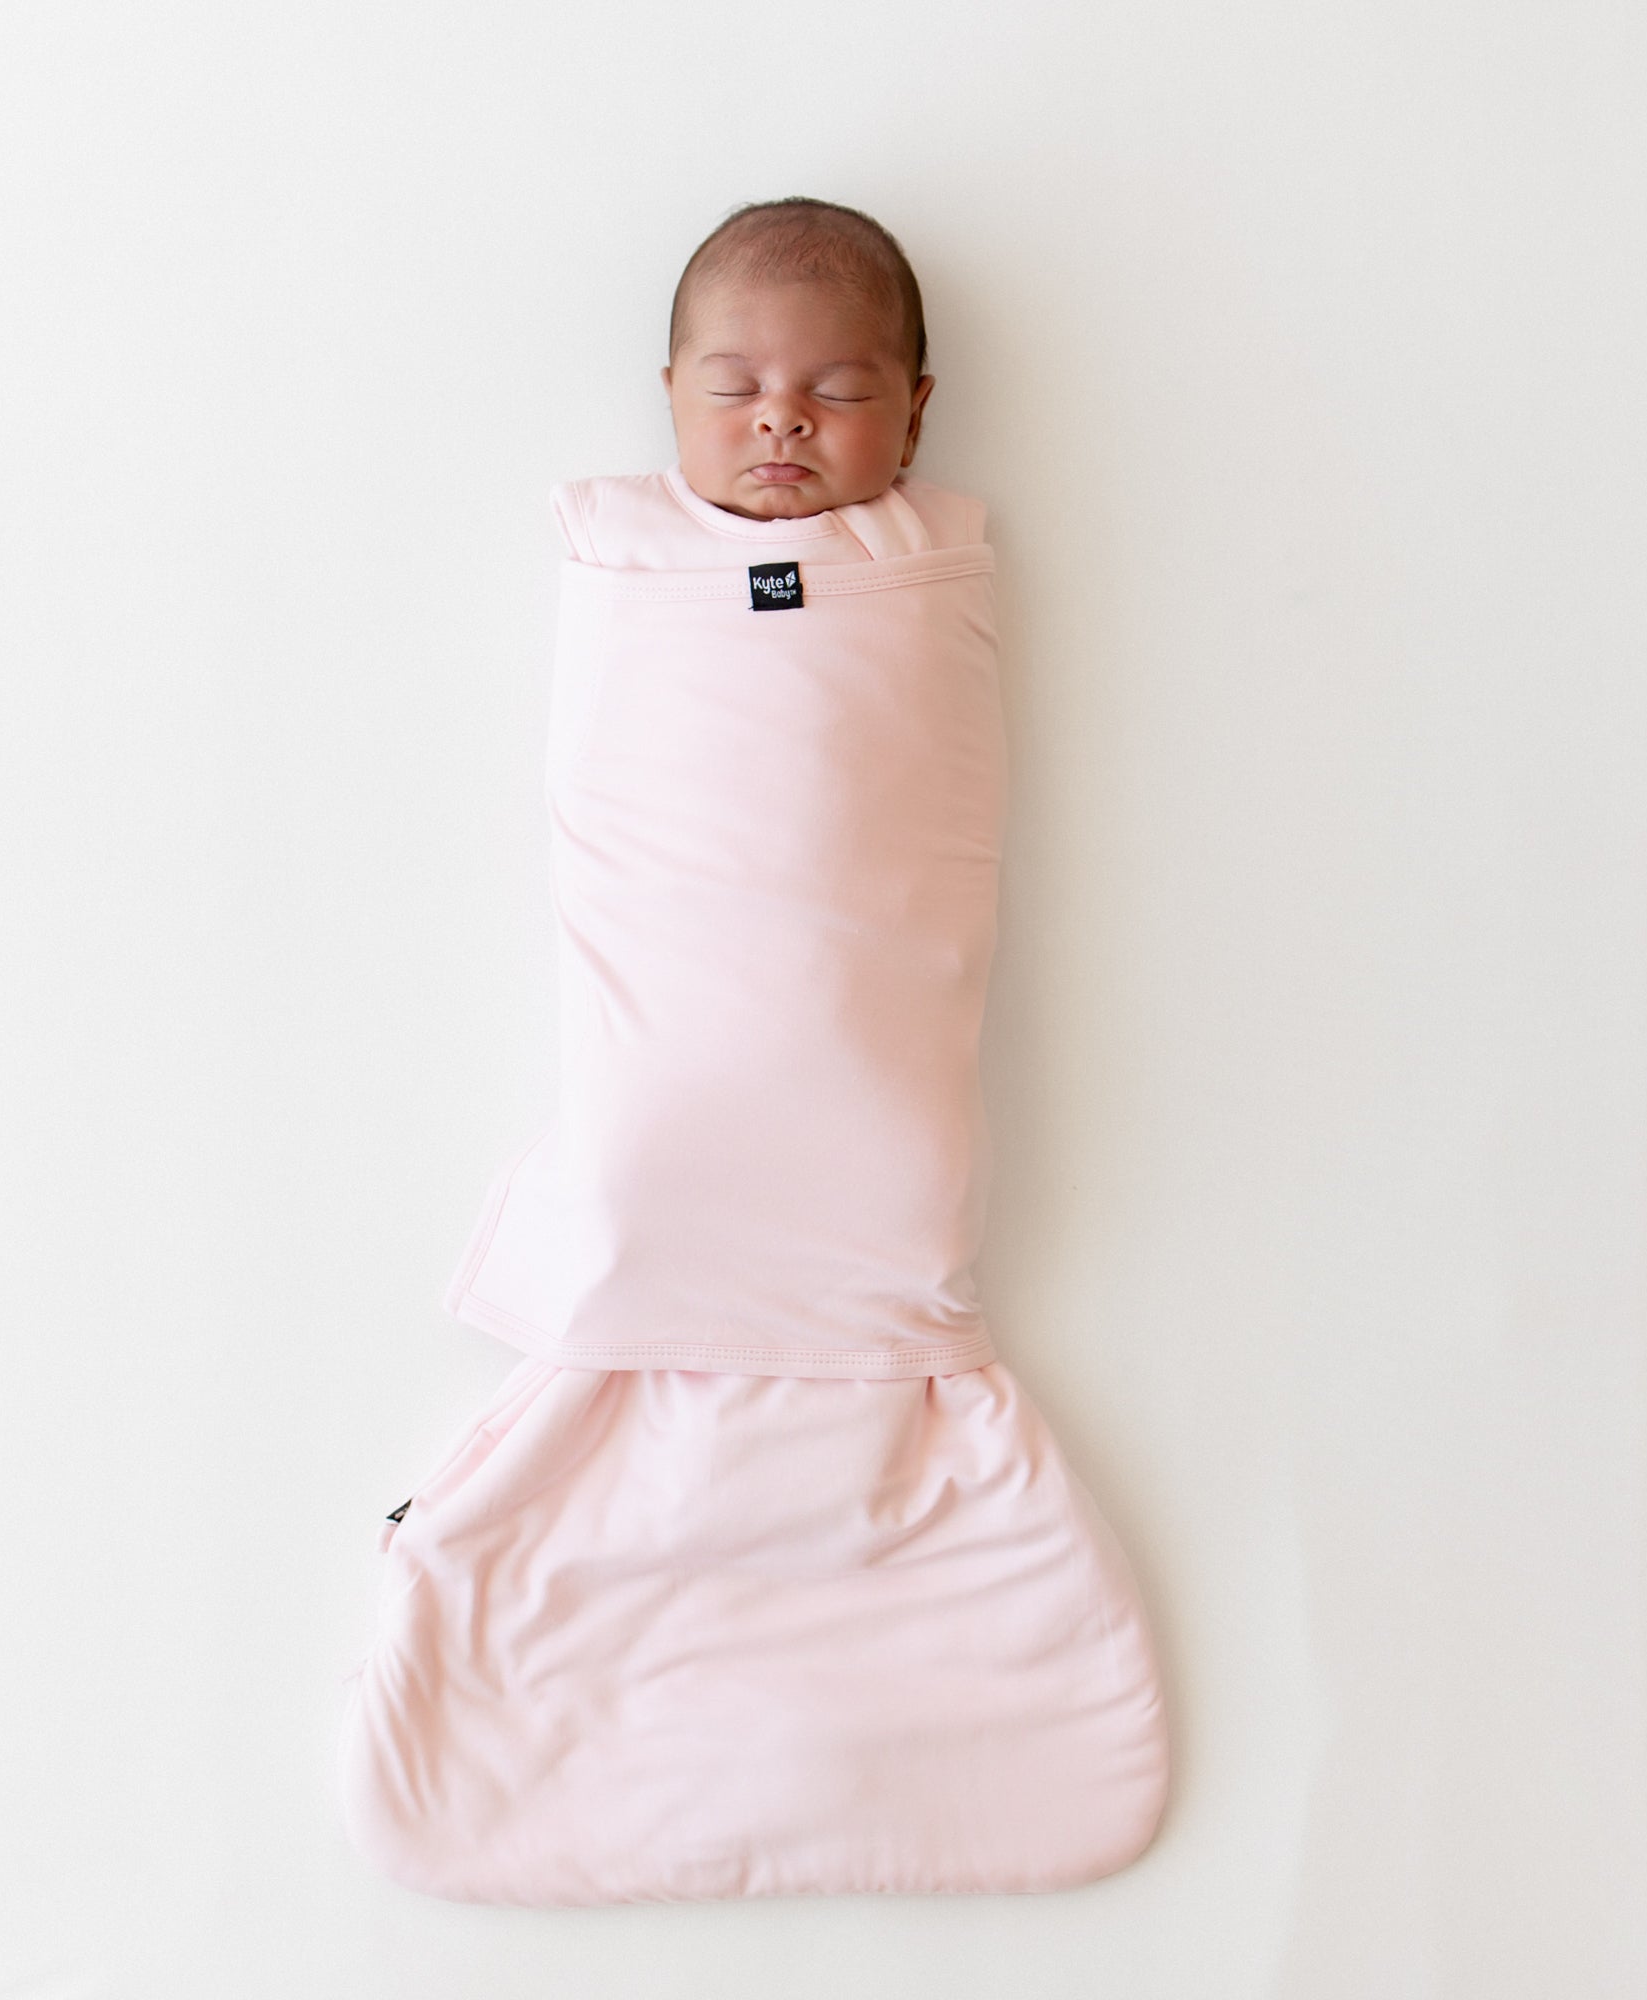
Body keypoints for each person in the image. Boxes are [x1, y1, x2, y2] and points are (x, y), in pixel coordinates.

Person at [338, 197, 1169, 1906]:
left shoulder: (922, 569)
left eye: (837, 391)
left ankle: (906, 1644)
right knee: (647, 1175)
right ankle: (612, 1564)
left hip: (876, 1106)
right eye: (736, 390)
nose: (782, 422)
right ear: (669, 398)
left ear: (916, 414)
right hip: (668, 1103)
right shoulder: (628, 564)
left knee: (892, 1180)